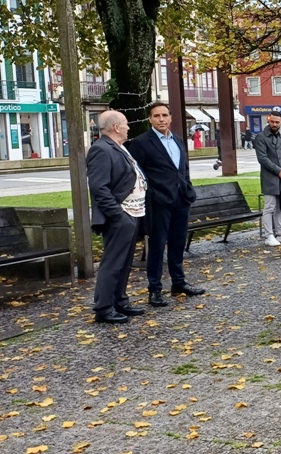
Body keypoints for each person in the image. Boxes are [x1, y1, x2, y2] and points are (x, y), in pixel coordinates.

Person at [127, 102, 205, 307]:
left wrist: (187, 186)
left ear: (170, 118)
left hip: (181, 199)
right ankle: (155, 289)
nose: (161, 119)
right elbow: (136, 173)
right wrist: (150, 194)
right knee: (157, 245)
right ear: (150, 119)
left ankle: (178, 282)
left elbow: (183, 168)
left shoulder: (178, 141)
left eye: (164, 115)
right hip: (158, 202)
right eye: (156, 116)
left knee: (178, 243)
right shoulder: (142, 143)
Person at [86, 110, 147, 324]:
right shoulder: (101, 150)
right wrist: (118, 214)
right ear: (116, 127)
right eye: (126, 124)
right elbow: (98, 187)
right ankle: (103, 307)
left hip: (132, 212)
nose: (129, 127)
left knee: (125, 262)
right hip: (120, 215)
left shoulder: (117, 147)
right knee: (113, 262)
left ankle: (120, 300)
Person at [253, 111, 281, 247]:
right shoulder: (261, 138)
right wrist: (279, 171)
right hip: (270, 178)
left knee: (280, 207)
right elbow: (262, 159)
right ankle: (268, 235)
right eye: (272, 121)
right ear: (268, 120)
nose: (274, 124)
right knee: (269, 207)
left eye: (277, 122)